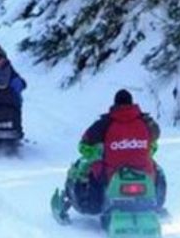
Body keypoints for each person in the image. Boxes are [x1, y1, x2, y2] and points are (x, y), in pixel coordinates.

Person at [60, 89, 165, 217]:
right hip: (145, 173)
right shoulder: (146, 122)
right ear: (132, 103)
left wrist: (95, 152)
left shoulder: (105, 123)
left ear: (115, 104)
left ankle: (94, 205)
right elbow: (156, 138)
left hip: (111, 173)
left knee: (89, 168)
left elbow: (85, 144)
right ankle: (156, 203)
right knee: (156, 168)